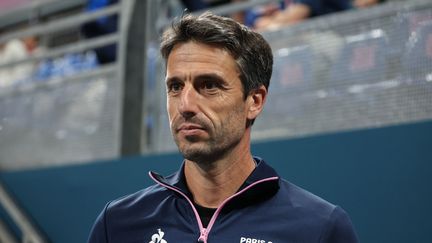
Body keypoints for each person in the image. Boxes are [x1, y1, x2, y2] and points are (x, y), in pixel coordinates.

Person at [88, 12, 359, 243]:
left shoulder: (319, 227)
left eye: (209, 85)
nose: (186, 105)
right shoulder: (118, 223)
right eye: (175, 87)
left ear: (254, 101)